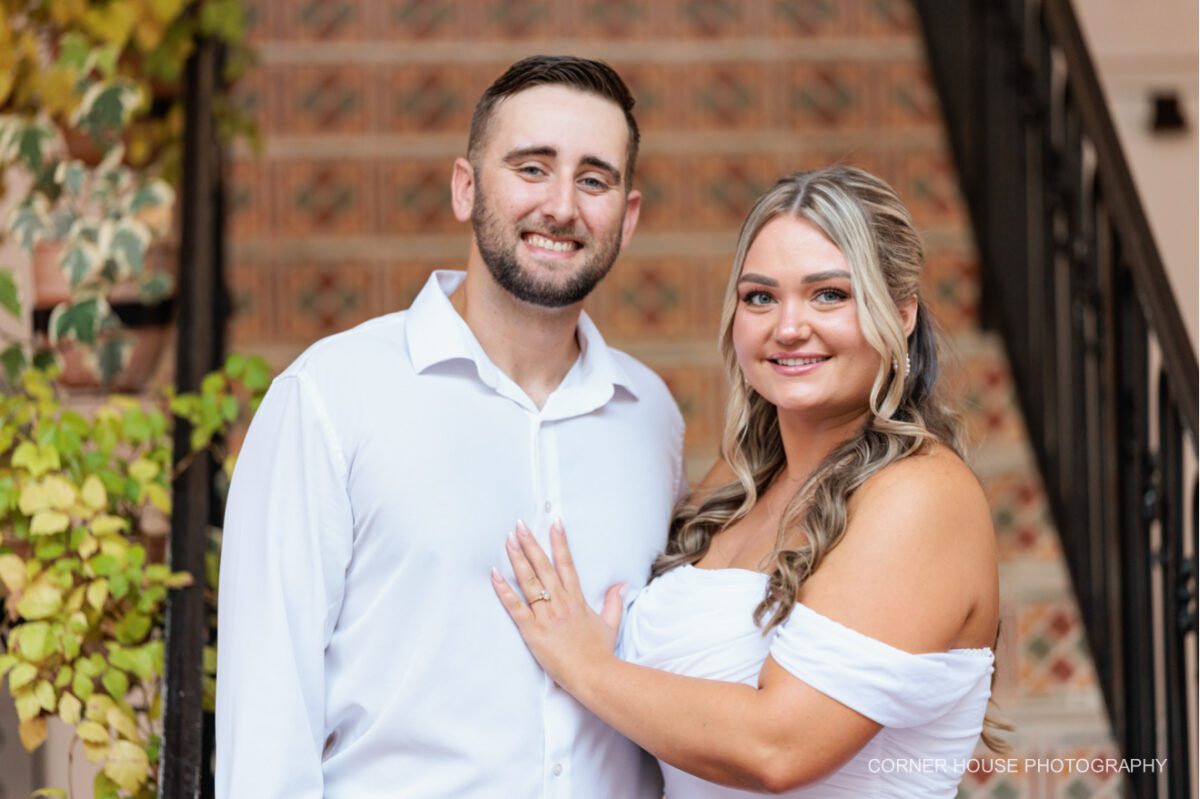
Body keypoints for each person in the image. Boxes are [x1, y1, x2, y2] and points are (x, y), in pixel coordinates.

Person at [216, 55, 685, 798]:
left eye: (593, 179)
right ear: (466, 188)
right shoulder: (330, 397)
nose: (561, 206)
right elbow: (266, 725)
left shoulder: (650, 413)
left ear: (626, 218)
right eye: (532, 167)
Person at [494, 166, 1001, 797]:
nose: (788, 327)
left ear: (900, 314)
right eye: (760, 297)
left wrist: (586, 667)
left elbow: (779, 747)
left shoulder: (920, 495)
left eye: (829, 295)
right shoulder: (735, 487)